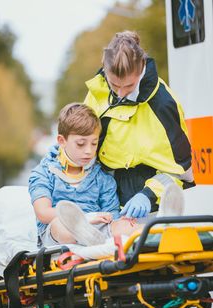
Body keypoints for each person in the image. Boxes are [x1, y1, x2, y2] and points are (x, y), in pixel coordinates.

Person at [84, 30, 195, 219]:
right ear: (104, 67)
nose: (120, 94)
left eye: (128, 86)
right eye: (114, 85)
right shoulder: (99, 90)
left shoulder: (163, 104)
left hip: (152, 206)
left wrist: (147, 195)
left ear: (142, 68)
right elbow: (81, 136)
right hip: (105, 197)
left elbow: (181, 173)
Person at [29, 103, 138, 248]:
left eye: (94, 144)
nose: (88, 151)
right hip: (58, 233)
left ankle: (162, 227)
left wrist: (121, 222)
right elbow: (43, 213)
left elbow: (112, 216)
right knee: (59, 225)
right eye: (81, 144)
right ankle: (89, 238)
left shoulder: (102, 177)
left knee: (126, 226)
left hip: (97, 230)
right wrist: (87, 218)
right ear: (62, 141)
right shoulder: (43, 173)